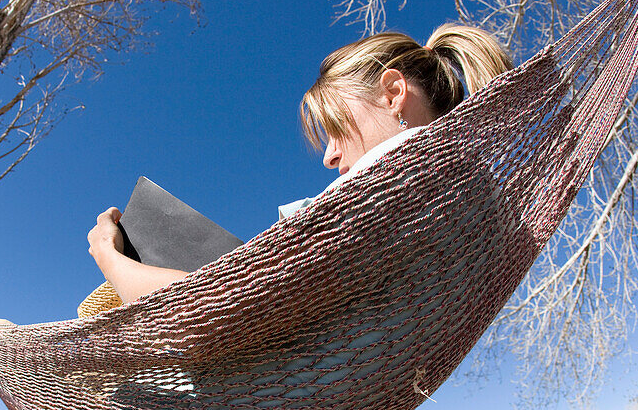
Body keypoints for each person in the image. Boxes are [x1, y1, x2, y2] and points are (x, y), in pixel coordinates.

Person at [87, 24, 513, 303]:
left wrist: (110, 258)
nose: (329, 156)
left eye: (335, 126)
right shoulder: (477, 206)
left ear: (392, 93)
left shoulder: (401, 178)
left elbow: (204, 312)